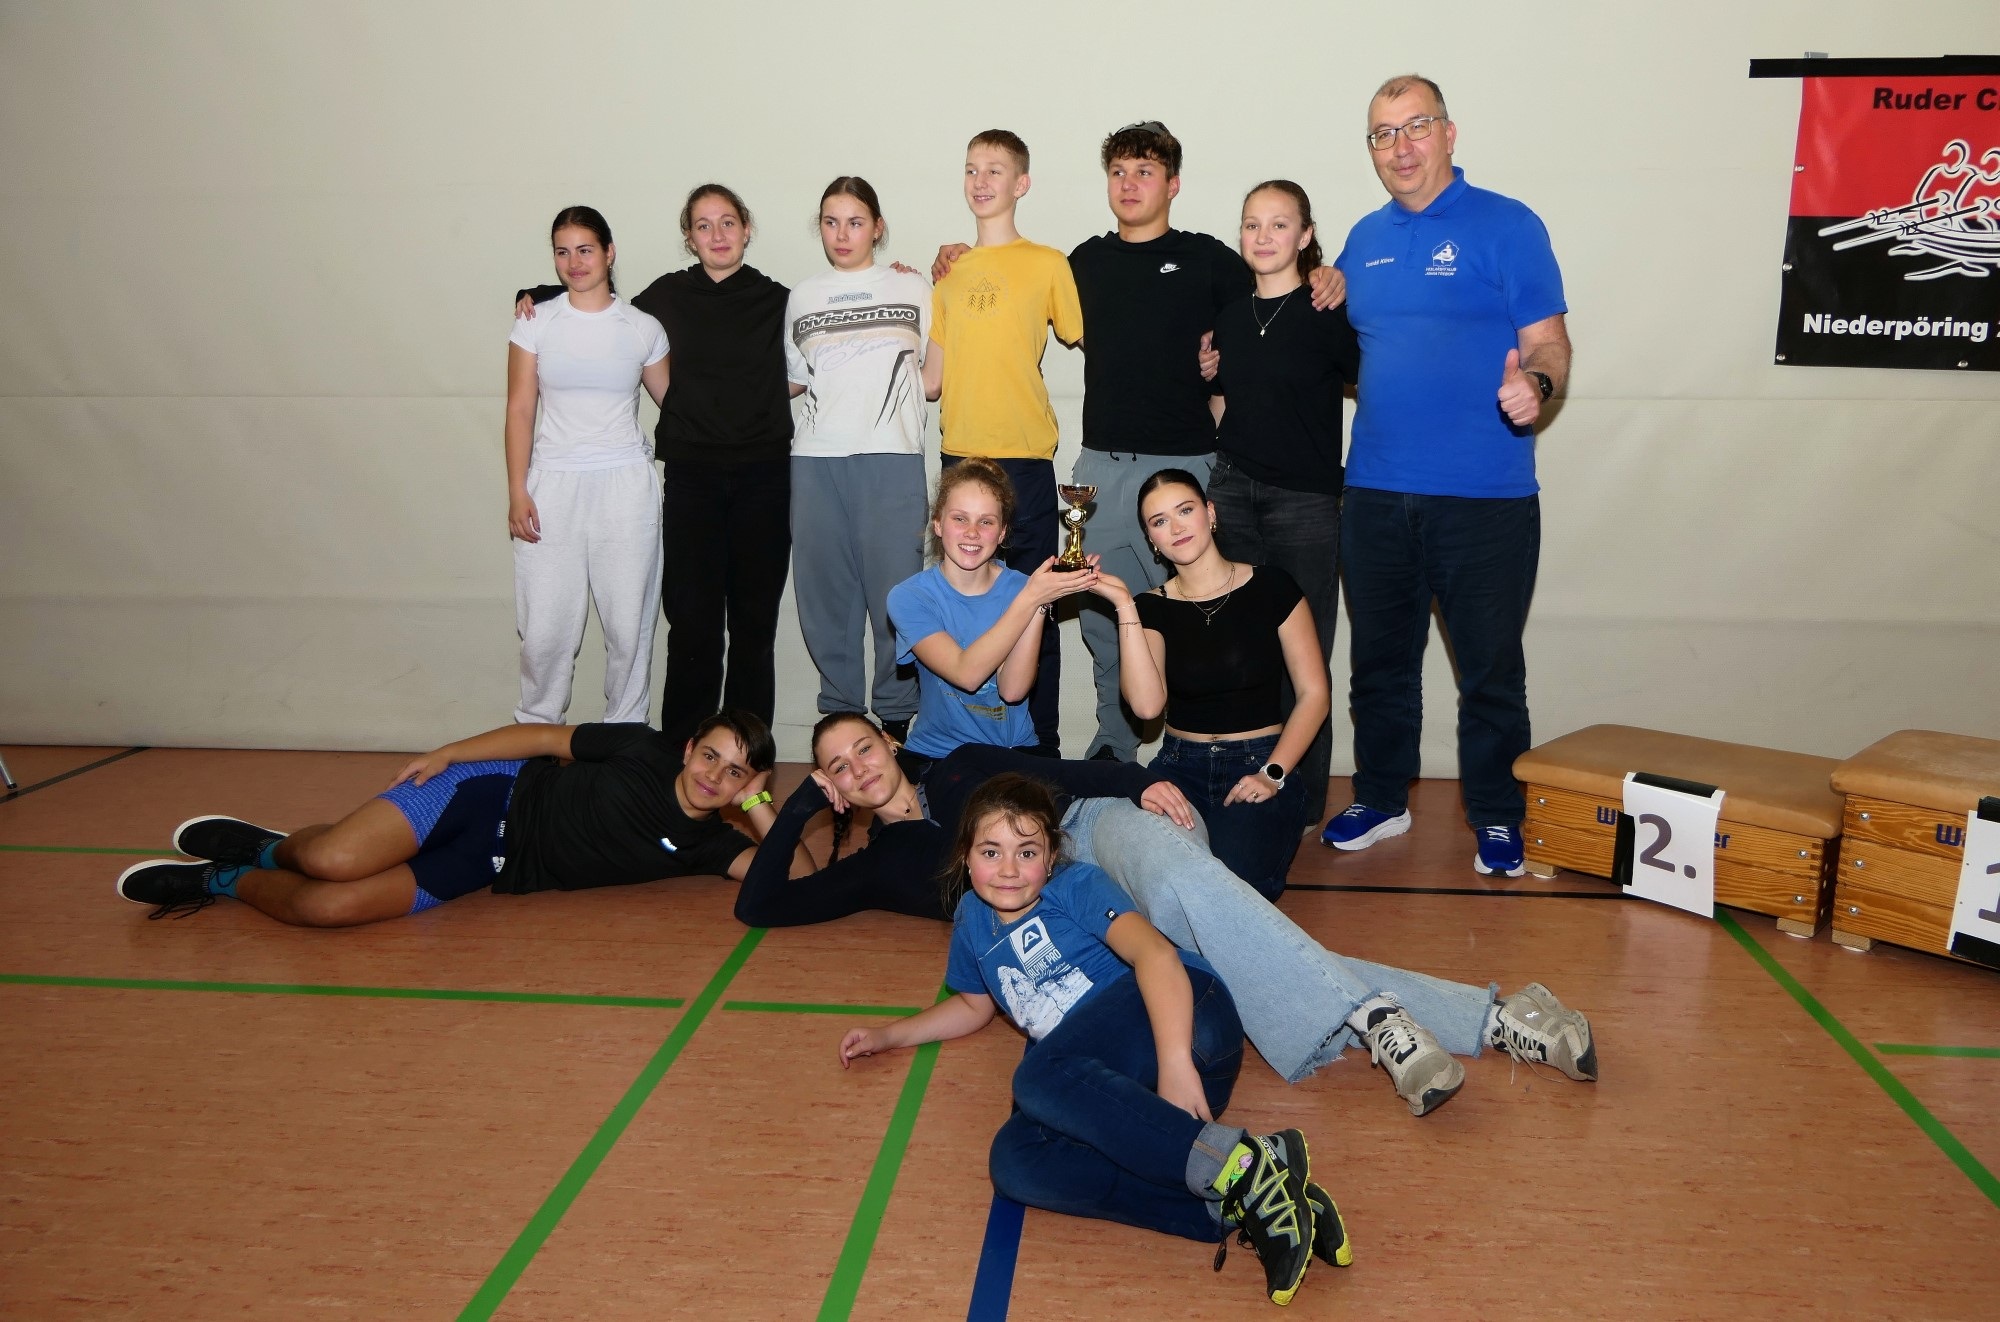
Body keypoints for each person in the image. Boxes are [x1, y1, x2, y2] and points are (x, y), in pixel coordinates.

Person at [743, 712, 1599, 1117]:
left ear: (888, 744)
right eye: (835, 767)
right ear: (832, 785)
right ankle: (1486, 1017)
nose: (856, 767)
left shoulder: (960, 761)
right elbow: (763, 904)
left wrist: (1140, 783)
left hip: (1092, 829)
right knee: (1228, 951)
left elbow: (1060, 772)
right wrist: (794, 805)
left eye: (862, 747)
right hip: (1066, 909)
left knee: (1199, 897)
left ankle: (1390, 1020)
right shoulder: (877, 865)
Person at [834, 774, 1339, 1307]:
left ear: (1051, 856)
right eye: (991, 851)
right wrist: (889, 1035)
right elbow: (972, 1006)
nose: (1009, 869)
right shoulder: (971, 921)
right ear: (965, 855)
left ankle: (1234, 1169)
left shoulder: (1076, 885)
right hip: (1122, 1093)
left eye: (1027, 852)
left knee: (1036, 1076)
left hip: (1186, 1021)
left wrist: (1174, 1062)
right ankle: (1240, 1194)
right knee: (1015, 1161)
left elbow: (1155, 955)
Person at [937, 122, 1342, 763]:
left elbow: (1278, 291)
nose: (1130, 184)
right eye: (1119, 172)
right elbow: (1010, 282)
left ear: (1172, 184)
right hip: (1099, 471)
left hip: (1189, 468)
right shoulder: (1081, 263)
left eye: (1146, 172)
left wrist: (1327, 275)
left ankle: (1200, 750)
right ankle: (1115, 745)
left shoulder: (1211, 260)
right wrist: (958, 260)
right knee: (1106, 621)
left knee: (1204, 619)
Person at [1317, 75, 1572, 877]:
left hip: (1485, 499)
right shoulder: (1363, 238)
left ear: (1449, 134)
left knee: (1490, 672)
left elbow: (1550, 342)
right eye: (1382, 133)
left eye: (1415, 126)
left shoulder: (1508, 225)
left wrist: (1538, 385)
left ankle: (1496, 813)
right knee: (1379, 665)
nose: (1400, 147)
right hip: (1375, 492)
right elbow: (1342, 350)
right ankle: (1381, 797)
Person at [519, 185, 793, 750]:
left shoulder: (780, 301)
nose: (716, 235)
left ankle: (747, 756)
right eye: (702, 225)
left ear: (746, 229)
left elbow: (825, 341)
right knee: (691, 625)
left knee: (753, 626)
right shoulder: (665, 297)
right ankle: (679, 755)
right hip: (691, 479)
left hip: (764, 477)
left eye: (727, 222)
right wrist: (541, 293)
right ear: (689, 237)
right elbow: (600, 306)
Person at [115, 710, 811, 927]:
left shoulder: (707, 844)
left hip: (489, 864)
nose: (714, 775)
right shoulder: (643, 748)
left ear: (745, 787)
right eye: (710, 755)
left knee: (328, 908)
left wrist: (760, 805)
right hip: (484, 794)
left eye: (735, 773)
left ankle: (221, 880)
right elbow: (544, 737)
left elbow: (797, 881)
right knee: (330, 859)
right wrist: (448, 753)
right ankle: (273, 848)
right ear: (688, 748)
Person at [1198, 181, 1360, 826]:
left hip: (1306, 503)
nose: (1263, 236)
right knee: (1240, 649)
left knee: (1305, 655)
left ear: (1305, 235)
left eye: (1278, 224)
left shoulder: (1328, 309)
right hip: (1233, 494)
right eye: (1251, 224)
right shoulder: (1230, 317)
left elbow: (1371, 380)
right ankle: (1240, 782)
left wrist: (1339, 282)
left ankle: (1303, 801)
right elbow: (1224, 403)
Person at [1087, 469, 1329, 900]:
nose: (1176, 527)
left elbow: (1314, 695)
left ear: (1210, 513)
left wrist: (1273, 774)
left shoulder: (1273, 586)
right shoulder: (1149, 607)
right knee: (1150, 882)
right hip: (1179, 767)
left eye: (1185, 510)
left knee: (1230, 891)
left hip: (1260, 762)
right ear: (1151, 540)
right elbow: (1146, 707)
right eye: (1159, 521)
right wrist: (1124, 603)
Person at [923, 130, 1084, 754]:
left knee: (1035, 606)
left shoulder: (1047, 263)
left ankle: (1042, 751)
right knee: (963, 613)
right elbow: (931, 381)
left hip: (1025, 462)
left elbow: (1089, 335)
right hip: (960, 458)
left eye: (995, 169)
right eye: (971, 169)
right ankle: (963, 747)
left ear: (1022, 184)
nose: (981, 180)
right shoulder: (948, 274)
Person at [504, 206, 671, 725]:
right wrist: (517, 491)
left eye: (585, 250)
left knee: (629, 626)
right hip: (551, 487)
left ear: (609, 253)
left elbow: (676, 405)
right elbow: (519, 408)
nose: (574, 262)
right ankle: (536, 732)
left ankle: (625, 733)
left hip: (626, 488)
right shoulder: (534, 322)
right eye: (563, 252)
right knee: (545, 630)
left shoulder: (643, 328)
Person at [784, 177, 932, 744]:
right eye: (830, 222)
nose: (842, 234)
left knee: (896, 594)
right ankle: (840, 716)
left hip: (891, 457)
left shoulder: (913, 287)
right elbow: (793, 380)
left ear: (877, 227)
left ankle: (896, 720)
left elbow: (935, 376)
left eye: (855, 222)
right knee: (824, 597)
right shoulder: (803, 296)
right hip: (814, 460)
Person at [885, 459, 1093, 773]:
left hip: (1012, 752)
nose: (972, 532)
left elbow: (1013, 691)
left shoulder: (1022, 588)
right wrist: (1030, 599)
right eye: (959, 518)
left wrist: (1038, 604)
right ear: (938, 524)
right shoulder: (909, 596)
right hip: (938, 754)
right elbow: (966, 675)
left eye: (986, 522)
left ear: (1002, 532)